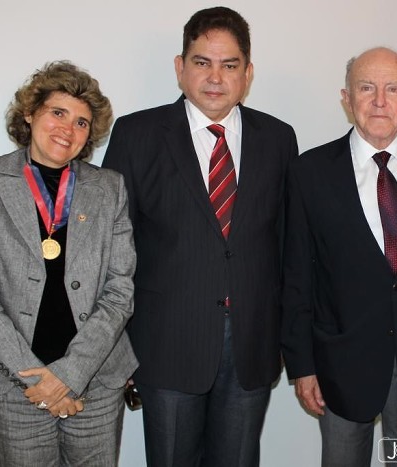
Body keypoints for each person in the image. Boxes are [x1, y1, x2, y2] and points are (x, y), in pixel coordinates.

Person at [101, 6, 298, 467]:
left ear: (247, 74)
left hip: (252, 343)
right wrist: (116, 347)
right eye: (202, 62)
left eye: (229, 65)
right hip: (165, 344)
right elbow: (110, 249)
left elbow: (288, 246)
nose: (215, 77)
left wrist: (289, 337)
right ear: (180, 67)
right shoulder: (136, 134)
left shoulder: (278, 138)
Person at [281, 47, 397, 466]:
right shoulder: (309, 172)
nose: (380, 101)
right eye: (366, 88)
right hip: (339, 367)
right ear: (347, 98)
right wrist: (302, 366)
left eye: (393, 89)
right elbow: (296, 276)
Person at [0, 61, 138, 466]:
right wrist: (41, 381)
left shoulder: (109, 188)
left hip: (95, 381)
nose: (67, 129)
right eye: (58, 112)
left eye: (81, 122)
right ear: (30, 113)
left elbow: (120, 291)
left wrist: (70, 375)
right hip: (11, 384)